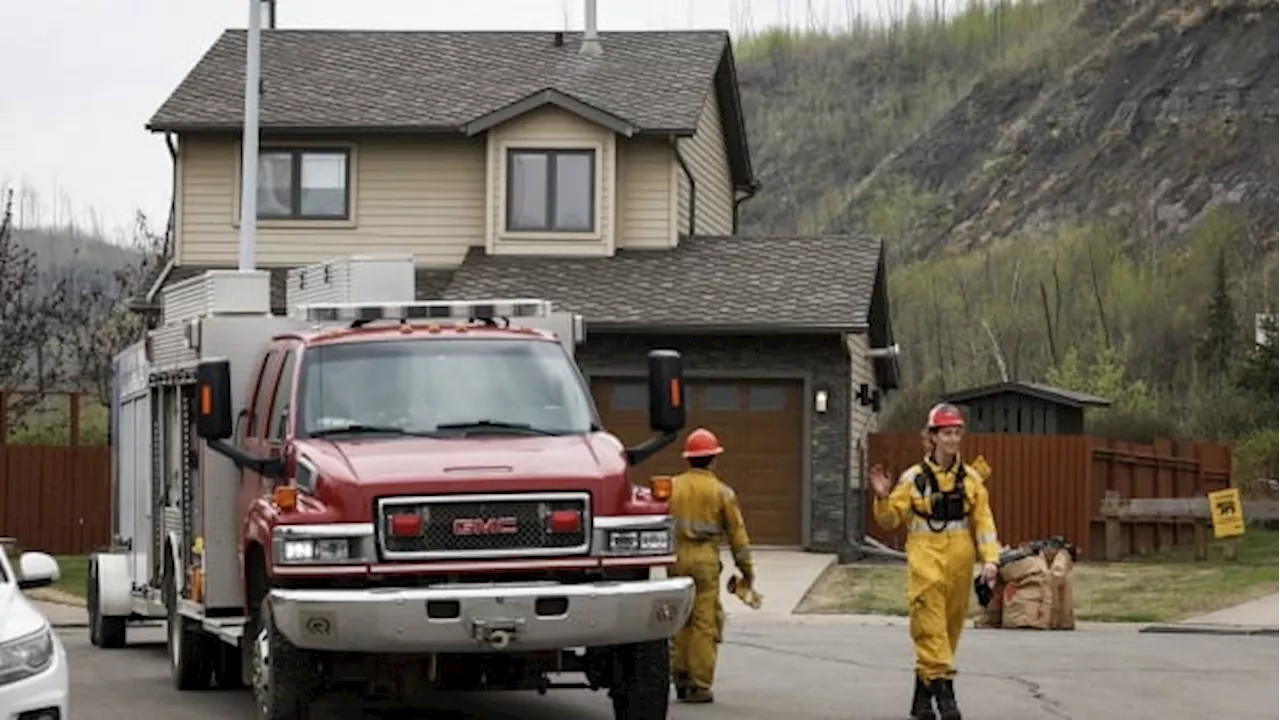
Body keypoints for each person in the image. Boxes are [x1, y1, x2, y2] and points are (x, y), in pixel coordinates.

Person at [868, 403, 1001, 720]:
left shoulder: (971, 480)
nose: (953, 439)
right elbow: (889, 520)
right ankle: (946, 698)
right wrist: (883, 496)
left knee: (949, 632)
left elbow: (984, 522)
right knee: (930, 630)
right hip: (925, 560)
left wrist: (991, 561)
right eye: (946, 433)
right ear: (932, 437)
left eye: (957, 433)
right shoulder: (913, 479)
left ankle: (921, 699)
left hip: (960, 561)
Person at [667, 427, 755, 704]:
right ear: (713, 459)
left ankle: (679, 677)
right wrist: (746, 571)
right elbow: (737, 535)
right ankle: (699, 685)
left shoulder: (671, 487)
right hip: (705, 562)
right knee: (705, 623)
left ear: (688, 458)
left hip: (675, 560)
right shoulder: (722, 493)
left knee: (680, 620)